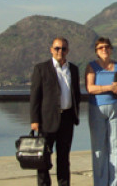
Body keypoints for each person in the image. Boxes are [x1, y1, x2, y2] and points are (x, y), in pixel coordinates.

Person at [29, 37, 81, 186]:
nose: (60, 51)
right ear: (51, 50)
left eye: (63, 49)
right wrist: (34, 120)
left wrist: (75, 115)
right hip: (47, 121)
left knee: (64, 159)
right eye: (57, 48)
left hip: (67, 119)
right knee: (43, 159)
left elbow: (76, 94)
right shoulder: (41, 69)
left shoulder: (73, 69)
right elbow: (35, 96)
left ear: (68, 51)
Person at [86, 37, 117, 186]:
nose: (104, 50)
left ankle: (115, 183)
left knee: (116, 147)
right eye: (101, 47)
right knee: (99, 148)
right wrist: (109, 87)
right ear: (96, 51)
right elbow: (90, 88)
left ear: (111, 49)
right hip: (97, 109)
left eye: (107, 47)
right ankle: (100, 183)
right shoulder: (92, 67)